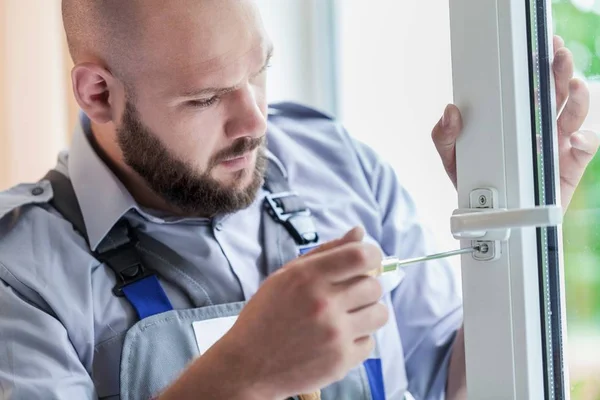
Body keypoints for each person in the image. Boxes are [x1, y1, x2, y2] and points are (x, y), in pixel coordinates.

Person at [0, 1, 597, 399]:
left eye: (258, 71)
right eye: (206, 98)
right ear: (99, 93)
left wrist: (525, 223)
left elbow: (460, 382)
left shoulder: (335, 161)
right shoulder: (19, 275)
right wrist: (240, 373)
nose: (254, 122)